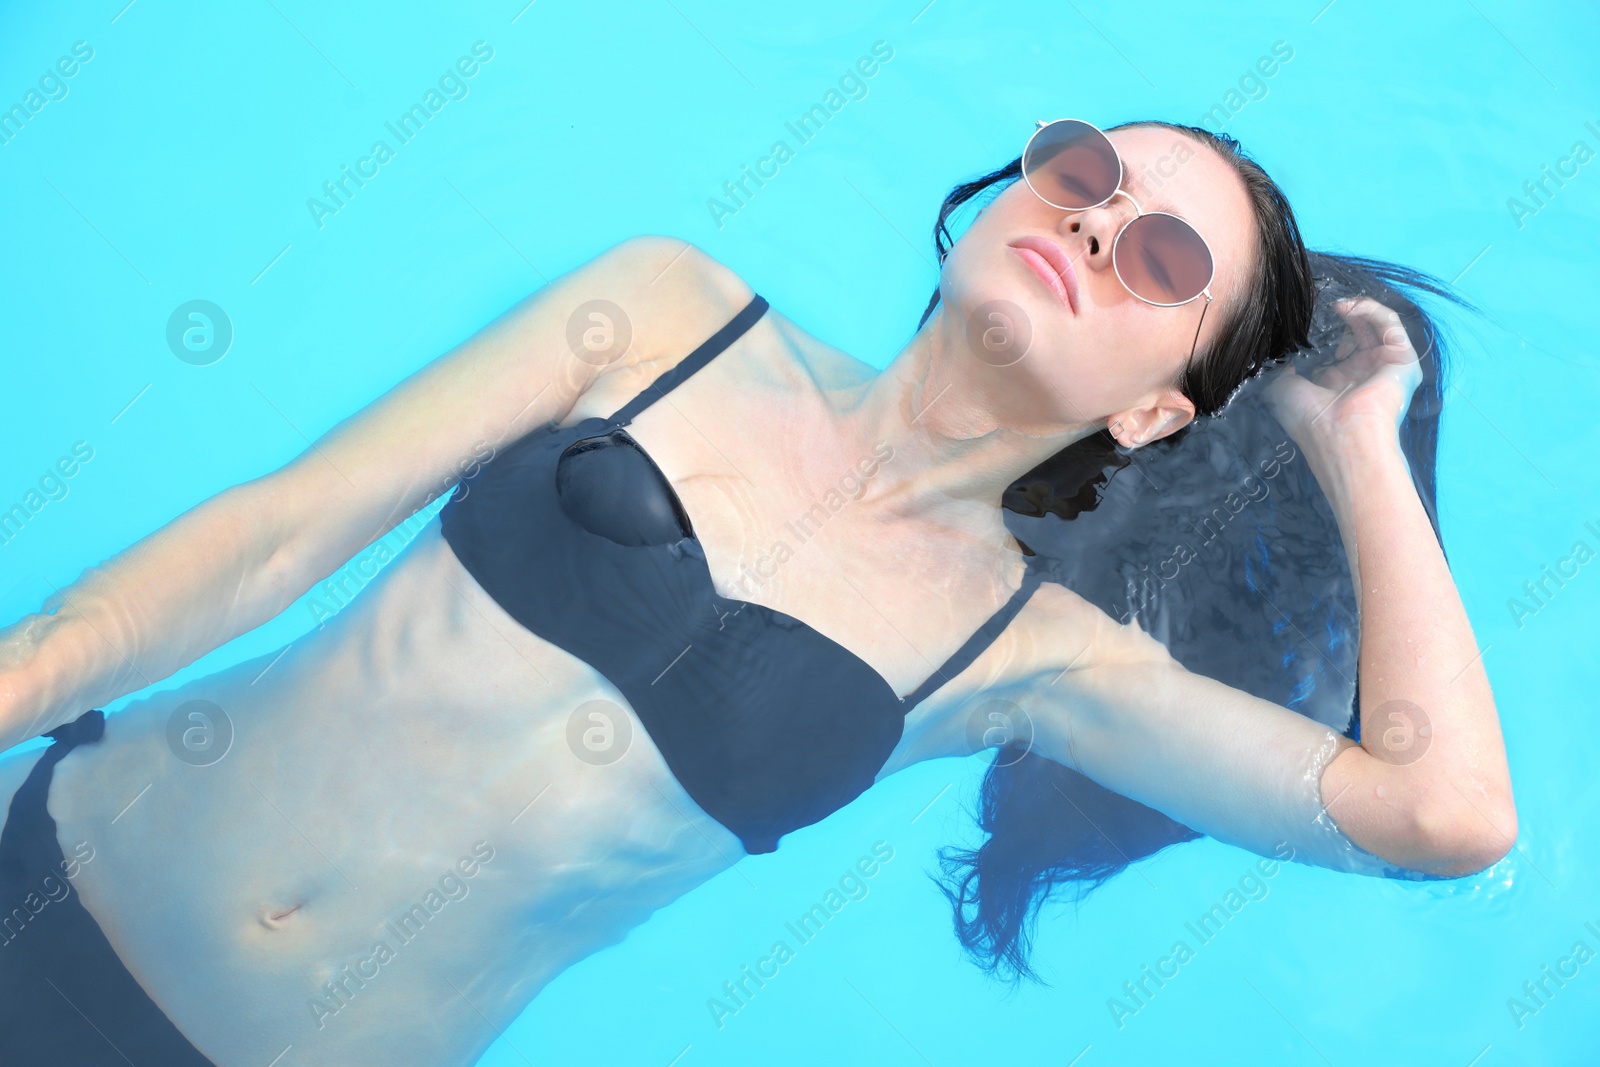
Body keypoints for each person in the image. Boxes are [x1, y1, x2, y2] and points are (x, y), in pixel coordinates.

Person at [0, 118, 1514, 1065]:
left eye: (1162, 256)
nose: (1100, 223)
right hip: (46, 874)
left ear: (1158, 413)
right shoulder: (668, 313)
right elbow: (278, 532)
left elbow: (1440, 820)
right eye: (1082, 173)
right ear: (1001, 193)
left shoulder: (1031, 656)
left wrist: (1352, 438)